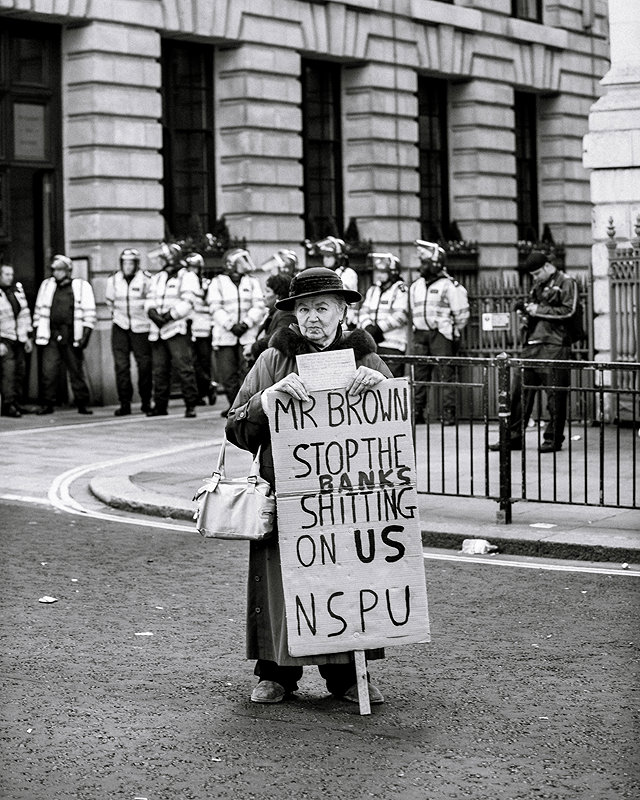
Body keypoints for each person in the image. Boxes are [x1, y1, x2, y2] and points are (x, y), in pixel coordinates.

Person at [225, 267, 392, 706]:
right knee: (281, 586)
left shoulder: (367, 361)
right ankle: (277, 674)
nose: (312, 317)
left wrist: (382, 389)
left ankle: (348, 677)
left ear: (342, 312)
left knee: (344, 581)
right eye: (303, 308)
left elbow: (397, 431)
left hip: (346, 499)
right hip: (286, 493)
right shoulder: (271, 361)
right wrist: (265, 400)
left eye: (322, 307)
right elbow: (235, 426)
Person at [489, 251, 580, 453]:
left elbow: (569, 311)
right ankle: (512, 437)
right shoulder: (537, 286)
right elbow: (535, 313)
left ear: (548, 266)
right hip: (532, 345)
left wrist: (536, 310)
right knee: (518, 393)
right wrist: (525, 313)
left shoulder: (567, 282)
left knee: (555, 395)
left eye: (537, 272)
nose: (535, 277)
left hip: (555, 345)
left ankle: (552, 439)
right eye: (532, 274)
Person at [409, 240, 469, 426]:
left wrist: (452, 330)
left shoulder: (449, 285)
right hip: (420, 332)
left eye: (425, 263)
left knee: (445, 374)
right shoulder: (416, 285)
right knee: (419, 375)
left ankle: (448, 414)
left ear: (436, 263)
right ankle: (418, 413)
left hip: (441, 334)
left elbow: (462, 313)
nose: (422, 267)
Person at [33, 254, 95, 415]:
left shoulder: (81, 286)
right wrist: (37, 329)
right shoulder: (47, 285)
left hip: (71, 334)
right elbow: (39, 309)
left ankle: (82, 403)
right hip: (51, 334)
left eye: (59, 270)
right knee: (49, 371)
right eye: (54, 270)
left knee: (76, 371)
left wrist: (85, 335)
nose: (56, 273)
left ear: (67, 271)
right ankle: (48, 403)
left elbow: (89, 312)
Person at [206, 248, 265, 417]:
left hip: (247, 335)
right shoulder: (217, 282)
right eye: (241, 261)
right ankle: (234, 406)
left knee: (247, 373)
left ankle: (247, 406)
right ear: (231, 264)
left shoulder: (252, 281)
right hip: (226, 336)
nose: (245, 265)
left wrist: (246, 323)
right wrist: (230, 325)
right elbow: (215, 307)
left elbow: (259, 305)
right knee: (228, 374)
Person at [144, 243, 200, 418]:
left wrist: (169, 316)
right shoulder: (158, 277)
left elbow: (188, 301)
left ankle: (191, 405)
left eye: (162, 257)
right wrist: (152, 312)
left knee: (184, 368)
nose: (159, 261)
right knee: (159, 370)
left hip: (176, 328)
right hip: (158, 330)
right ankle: (160, 406)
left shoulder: (188, 276)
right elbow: (149, 298)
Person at [105, 248, 153, 416]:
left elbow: (150, 301)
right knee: (121, 366)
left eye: (131, 263)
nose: (127, 266)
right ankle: (124, 403)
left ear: (136, 264)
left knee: (145, 366)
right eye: (124, 263)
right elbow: (109, 302)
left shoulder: (146, 279)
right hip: (120, 326)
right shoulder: (113, 279)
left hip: (141, 327)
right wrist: (118, 317)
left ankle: (146, 401)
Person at [358, 252, 408, 378]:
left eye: (382, 272)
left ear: (393, 272)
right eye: (378, 272)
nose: (378, 275)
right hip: (373, 344)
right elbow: (363, 311)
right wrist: (368, 327)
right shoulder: (373, 289)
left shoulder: (400, 289)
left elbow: (400, 315)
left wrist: (379, 328)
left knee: (391, 380)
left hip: (393, 345)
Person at [183, 252, 216, 406]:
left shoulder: (206, 284)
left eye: (194, 268)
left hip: (204, 328)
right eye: (189, 268)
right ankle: (204, 389)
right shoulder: (186, 284)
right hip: (190, 328)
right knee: (192, 362)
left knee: (204, 362)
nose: (191, 271)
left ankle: (206, 390)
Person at [0, 264, 33, 417]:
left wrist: (27, 338)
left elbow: (25, 314)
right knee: (8, 372)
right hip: (4, 339)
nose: (9, 277)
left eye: (11, 274)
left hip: (18, 338)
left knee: (20, 371)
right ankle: (8, 404)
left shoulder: (17, 292)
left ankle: (17, 402)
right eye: (6, 274)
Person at [245, 272, 296, 368]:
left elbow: (277, 337)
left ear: (278, 296)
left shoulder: (286, 314)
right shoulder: (273, 313)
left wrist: (253, 348)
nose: (263, 295)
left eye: (267, 291)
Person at [313, 237, 359, 327]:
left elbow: (339, 295)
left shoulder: (348, 273)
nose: (325, 260)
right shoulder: (325, 273)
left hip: (344, 321)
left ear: (338, 257)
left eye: (329, 257)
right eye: (324, 257)